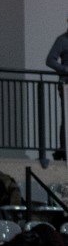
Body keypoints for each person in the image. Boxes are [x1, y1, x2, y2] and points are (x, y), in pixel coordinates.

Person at [47, 16, 68, 161]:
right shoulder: (62, 40)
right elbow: (50, 60)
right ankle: (64, 148)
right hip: (67, 84)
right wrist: (64, 69)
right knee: (66, 117)